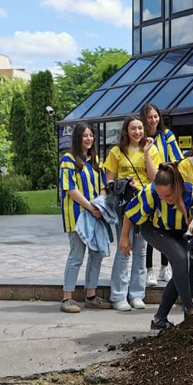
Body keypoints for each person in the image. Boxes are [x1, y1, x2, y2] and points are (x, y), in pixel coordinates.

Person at [120, 163, 193, 330]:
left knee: (183, 267)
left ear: (178, 187)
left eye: (168, 195)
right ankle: (190, 309)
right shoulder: (150, 193)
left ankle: (159, 319)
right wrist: (124, 237)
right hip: (152, 229)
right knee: (180, 259)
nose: (164, 199)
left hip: (177, 232)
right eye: (160, 195)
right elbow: (129, 213)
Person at [58, 124, 110, 314]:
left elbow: (103, 186)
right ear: (77, 138)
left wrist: (100, 205)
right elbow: (70, 188)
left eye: (91, 135)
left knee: (96, 254)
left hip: (95, 215)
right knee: (76, 256)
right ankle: (67, 297)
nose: (88, 139)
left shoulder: (96, 161)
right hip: (77, 216)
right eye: (85, 135)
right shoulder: (68, 159)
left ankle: (91, 296)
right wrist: (90, 206)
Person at [104, 114, 152, 312]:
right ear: (126, 130)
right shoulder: (116, 151)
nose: (137, 132)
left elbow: (155, 177)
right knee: (124, 248)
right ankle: (118, 295)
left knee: (141, 250)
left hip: (145, 203)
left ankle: (137, 294)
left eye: (140, 128)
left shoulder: (151, 149)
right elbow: (108, 180)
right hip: (123, 204)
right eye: (133, 128)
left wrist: (147, 154)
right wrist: (121, 184)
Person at [141, 102, 183, 286]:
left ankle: (165, 267)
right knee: (151, 227)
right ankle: (149, 269)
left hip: (166, 185)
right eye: (149, 117)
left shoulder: (166, 135)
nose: (153, 120)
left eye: (155, 116)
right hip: (148, 186)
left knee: (166, 225)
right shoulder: (142, 137)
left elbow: (177, 158)